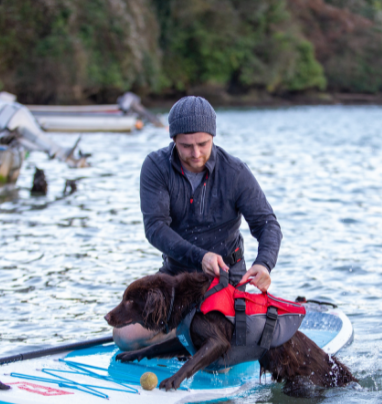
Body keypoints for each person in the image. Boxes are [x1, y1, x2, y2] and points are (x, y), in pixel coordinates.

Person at [112, 96, 283, 351]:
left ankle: (195, 334)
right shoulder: (155, 167)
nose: (195, 153)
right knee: (123, 337)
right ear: (173, 140)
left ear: (213, 136)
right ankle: (184, 334)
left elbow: (267, 224)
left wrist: (264, 263)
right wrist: (199, 256)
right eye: (186, 146)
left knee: (221, 355)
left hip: (225, 278)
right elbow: (155, 228)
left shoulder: (235, 172)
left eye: (203, 144)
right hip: (176, 277)